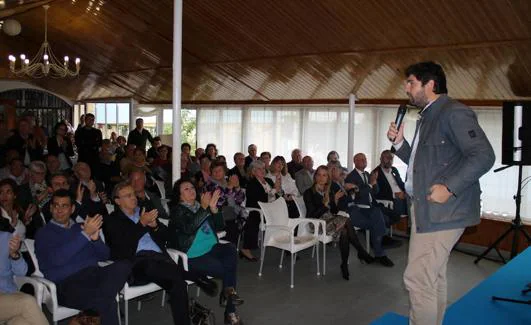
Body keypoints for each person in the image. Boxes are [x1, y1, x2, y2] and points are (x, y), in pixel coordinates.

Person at [387, 61, 495, 325]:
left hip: (443, 211)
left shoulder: (453, 112)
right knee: (432, 277)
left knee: (417, 279)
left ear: (430, 84)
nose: (406, 88)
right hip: (428, 209)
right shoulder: (428, 115)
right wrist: (400, 144)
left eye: (411, 82)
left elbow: (483, 155)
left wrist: (449, 187)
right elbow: (423, 163)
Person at [104, 182, 217, 325]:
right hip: (136, 264)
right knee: (156, 267)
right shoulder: (112, 220)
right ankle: (194, 276)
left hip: (161, 260)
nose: (134, 198)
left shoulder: (144, 212)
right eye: (128, 196)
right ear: (117, 200)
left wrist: (156, 226)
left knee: (177, 283)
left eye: (133, 194)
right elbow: (121, 249)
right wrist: (141, 225)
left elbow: (169, 236)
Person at [35, 189, 132, 325]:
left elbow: (105, 256)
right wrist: (85, 235)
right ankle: (93, 309)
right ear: (50, 208)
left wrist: (95, 240)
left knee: (125, 265)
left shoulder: (81, 228)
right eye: (56, 205)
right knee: (105, 302)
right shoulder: (43, 234)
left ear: (72, 208)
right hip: (66, 284)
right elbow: (56, 260)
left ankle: (88, 314)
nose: (59, 209)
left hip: (94, 275)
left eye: (64, 206)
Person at [168, 179, 244, 325]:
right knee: (227, 270)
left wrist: (215, 210)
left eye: (192, 187)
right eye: (186, 189)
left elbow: (220, 226)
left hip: (212, 248)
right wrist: (204, 208)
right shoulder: (177, 211)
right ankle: (230, 312)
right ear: (179, 196)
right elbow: (189, 228)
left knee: (230, 248)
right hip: (193, 255)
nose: (191, 190)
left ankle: (227, 294)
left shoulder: (199, 206)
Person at [303, 165, 374, 281]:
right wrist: (325, 204)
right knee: (346, 221)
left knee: (345, 231)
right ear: (315, 176)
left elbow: (335, 211)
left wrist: (334, 200)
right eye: (319, 175)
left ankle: (344, 264)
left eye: (324, 175)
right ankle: (361, 252)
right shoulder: (309, 192)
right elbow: (312, 213)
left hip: (331, 219)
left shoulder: (329, 191)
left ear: (327, 178)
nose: (321, 178)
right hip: (316, 223)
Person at [0, 224, 48, 325]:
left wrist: (14, 254)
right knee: (28, 303)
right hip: (12, 301)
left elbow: (22, 272)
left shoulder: (6, 238)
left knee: (21, 322)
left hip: (10, 294)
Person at [241, 160, 279, 261]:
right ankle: (246, 249)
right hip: (257, 209)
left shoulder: (268, 181)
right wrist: (274, 191)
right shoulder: (251, 184)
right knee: (253, 220)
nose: (262, 170)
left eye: (263, 168)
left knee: (288, 211)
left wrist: (279, 192)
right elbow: (260, 199)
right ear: (253, 171)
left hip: (271, 208)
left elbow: (276, 195)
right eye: (259, 169)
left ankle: (287, 243)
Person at [203, 161, 246, 245]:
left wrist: (237, 187)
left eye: (219, 170)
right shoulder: (209, 184)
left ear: (224, 172)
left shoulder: (227, 181)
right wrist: (230, 188)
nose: (216, 173)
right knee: (232, 222)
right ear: (211, 172)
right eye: (214, 171)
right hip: (216, 214)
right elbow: (220, 202)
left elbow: (240, 200)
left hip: (231, 214)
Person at [372, 150, 408, 221]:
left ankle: (412, 227)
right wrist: (395, 195)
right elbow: (377, 192)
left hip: (402, 195)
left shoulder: (394, 170)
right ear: (381, 159)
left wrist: (407, 192)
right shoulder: (376, 172)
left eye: (392, 158)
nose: (390, 160)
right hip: (391, 199)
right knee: (402, 203)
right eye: (387, 158)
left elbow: (401, 184)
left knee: (415, 199)